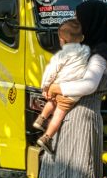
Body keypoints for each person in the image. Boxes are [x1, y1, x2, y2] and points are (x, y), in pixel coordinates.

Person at [29, 0, 107, 178]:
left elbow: (89, 84)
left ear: (92, 22)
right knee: (54, 175)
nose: (76, 24)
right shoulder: (81, 51)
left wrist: (57, 87)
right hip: (64, 122)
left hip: (81, 122)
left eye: (79, 19)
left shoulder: (101, 54)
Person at [33, 18, 90, 154]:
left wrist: (45, 86)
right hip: (71, 92)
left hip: (57, 85)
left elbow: (50, 71)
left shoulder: (61, 55)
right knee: (58, 115)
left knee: (52, 101)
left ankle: (41, 119)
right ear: (82, 38)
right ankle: (46, 138)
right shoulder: (86, 51)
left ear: (61, 40)